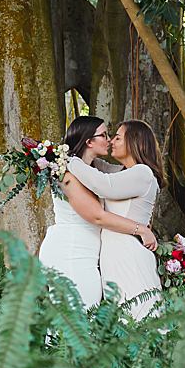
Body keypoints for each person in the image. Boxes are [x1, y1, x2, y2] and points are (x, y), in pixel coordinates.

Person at [38, 115, 157, 309]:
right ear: (89, 142)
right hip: (71, 249)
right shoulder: (66, 173)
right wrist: (141, 229)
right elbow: (97, 215)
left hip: (93, 253)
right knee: (76, 322)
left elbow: (110, 179)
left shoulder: (94, 171)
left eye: (115, 136)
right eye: (105, 135)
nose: (110, 140)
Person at [67, 119, 163, 320]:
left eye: (118, 137)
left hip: (129, 253)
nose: (111, 142)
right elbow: (95, 167)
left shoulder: (142, 173)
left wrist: (67, 160)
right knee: (122, 318)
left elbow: (103, 184)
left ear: (135, 142)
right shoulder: (123, 173)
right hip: (113, 255)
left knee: (141, 313)